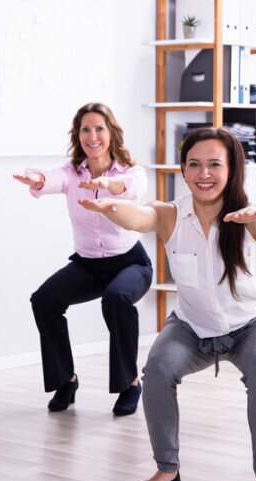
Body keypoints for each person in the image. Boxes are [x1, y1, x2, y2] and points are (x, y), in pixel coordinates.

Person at [80, 126, 256, 481]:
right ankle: (167, 468)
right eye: (194, 165)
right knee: (157, 371)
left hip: (252, 325)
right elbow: (138, 216)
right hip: (192, 326)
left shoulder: (249, 209)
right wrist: (112, 208)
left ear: (233, 169)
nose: (203, 174)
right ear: (183, 169)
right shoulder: (171, 214)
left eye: (214, 165)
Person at [12, 103, 153, 416]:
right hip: (88, 265)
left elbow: (129, 188)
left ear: (111, 133)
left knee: (116, 299)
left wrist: (107, 185)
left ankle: (130, 384)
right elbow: (51, 179)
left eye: (99, 129)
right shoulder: (71, 173)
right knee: (44, 300)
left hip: (131, 263)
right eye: (85, 129)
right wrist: (36, 178)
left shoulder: (131, 172)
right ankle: (66, 380)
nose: (92, 136)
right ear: (78, 135)